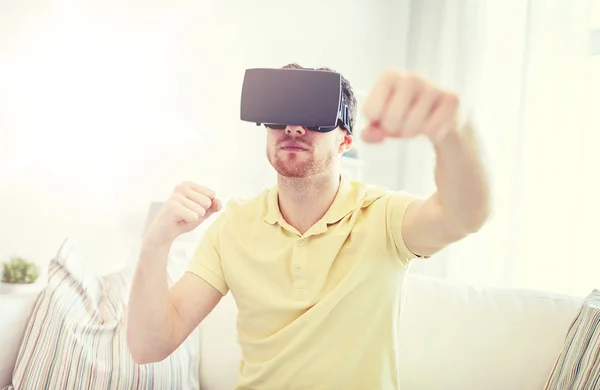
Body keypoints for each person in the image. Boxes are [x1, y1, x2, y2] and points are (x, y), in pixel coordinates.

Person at [127, 63, 492, 389]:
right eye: (280, 114)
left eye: (315, 116)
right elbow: (149, 347)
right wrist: (156, 242)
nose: (294, 127)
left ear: (345, 140)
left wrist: (454, 131)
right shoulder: (232, 227)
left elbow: (464, 215)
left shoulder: (383, 217)